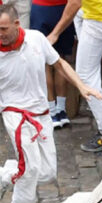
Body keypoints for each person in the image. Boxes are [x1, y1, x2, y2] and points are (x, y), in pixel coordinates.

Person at [0, 3, 102, 203]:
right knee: (30, 169)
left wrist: (82, 87)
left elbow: (59, 64)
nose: (0, 34)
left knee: (46, 172)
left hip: (42, 113)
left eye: (4, 29)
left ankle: (6, 174)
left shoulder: (36, 39)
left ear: (17, 25)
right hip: (15, 115)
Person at [45, 0, 102, 151]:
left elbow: (75, 3)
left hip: (101, 16)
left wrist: (55, 34)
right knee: (89, 67)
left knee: (85, 76)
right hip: (101, 9)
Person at [29, 0, 75, 128]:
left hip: (41, 8)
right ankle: (61, 110)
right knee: (60, 59)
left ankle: (51, 110)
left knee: (45, 62)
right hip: (63, 9)